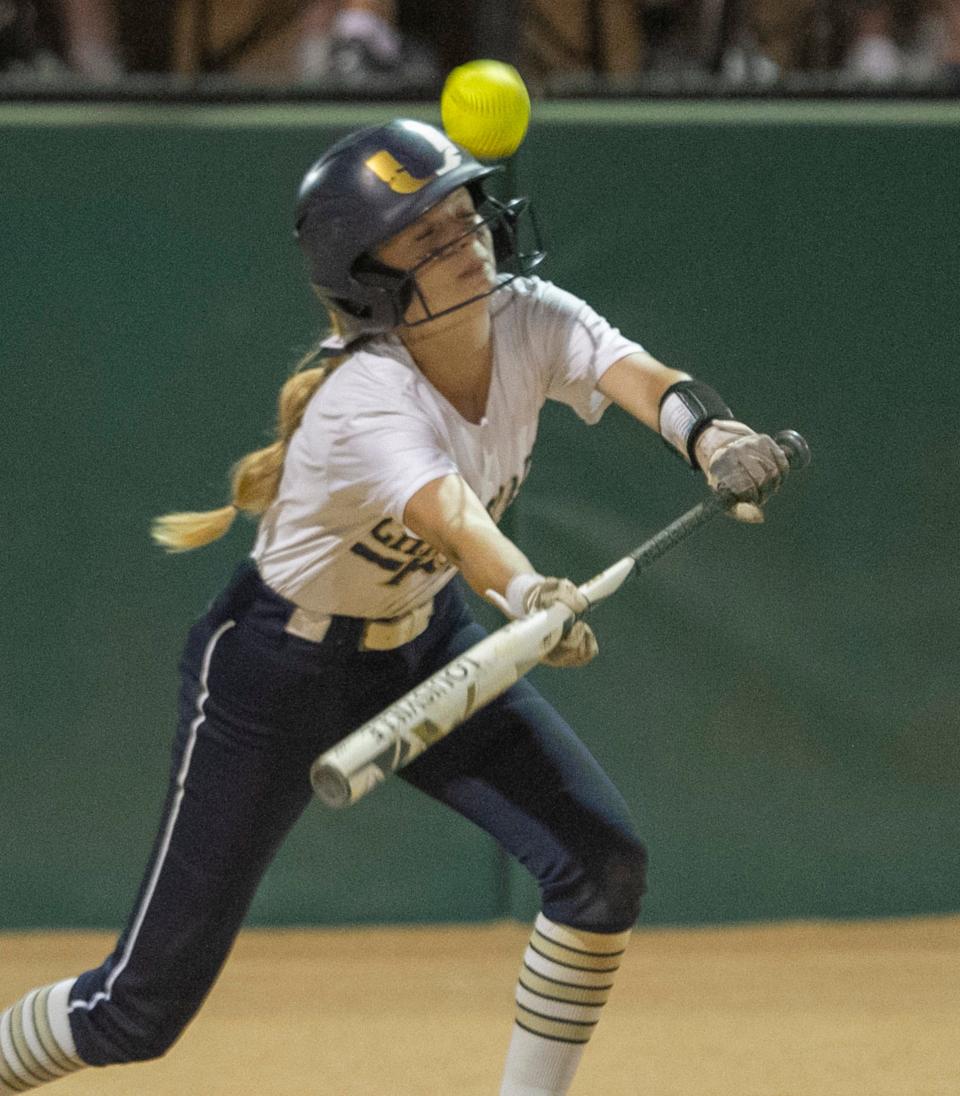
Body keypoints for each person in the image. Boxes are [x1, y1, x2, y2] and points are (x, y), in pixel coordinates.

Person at [0, 119, 788, 1096]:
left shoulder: (528, 315)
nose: (469, 243)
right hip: (272, 673)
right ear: (370, 283)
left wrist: (711, 439)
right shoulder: (363, 396)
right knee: (137, 1010)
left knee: (601, 867)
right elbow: (454, 519)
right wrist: (527, 593)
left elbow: (642, 377)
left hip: (423, 645)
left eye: (465, 219)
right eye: (431, 239)